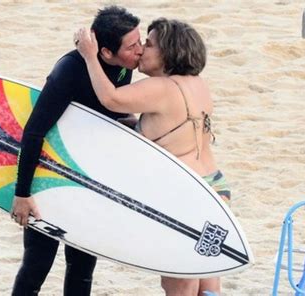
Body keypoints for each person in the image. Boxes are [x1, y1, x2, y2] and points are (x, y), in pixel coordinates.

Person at [75, 18, 231, 296]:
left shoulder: (162, 87)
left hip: (186, 195)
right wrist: (138, 127)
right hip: (216, 189)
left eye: (150, 43)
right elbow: (174, 129)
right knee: (207, 279)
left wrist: (89, 55)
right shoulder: (198, 84)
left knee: (179, 283)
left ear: (169, 52)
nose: (142, 49)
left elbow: (110, 98)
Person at [10, 6, 143, 296]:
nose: (140, 51)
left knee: (82, 271)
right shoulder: (69, 71)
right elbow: (33, 132)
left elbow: (99, 113)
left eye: (140, 41)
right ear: (105, 52)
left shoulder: (123, 68)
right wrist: (22, 194)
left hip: (87, 180)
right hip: (49, 178)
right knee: (36, 267)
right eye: (132, 46)